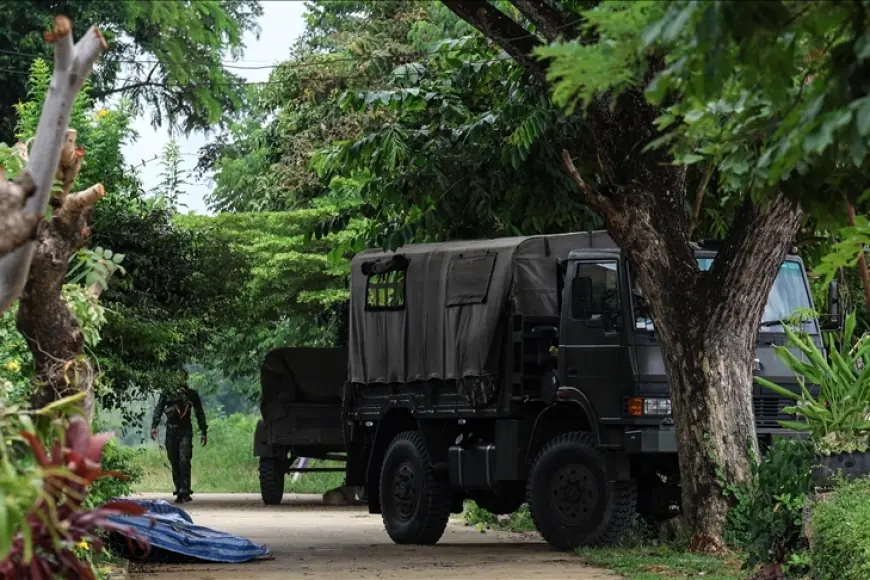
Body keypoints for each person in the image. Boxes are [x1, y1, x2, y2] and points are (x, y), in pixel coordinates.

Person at [150, 382, 208, 503]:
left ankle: (185, 490)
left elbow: (199, 412)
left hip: (185, 429)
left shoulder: (191, 394)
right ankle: (179, 489)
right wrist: (154, 426)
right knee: (174, 459)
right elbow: (159, 409)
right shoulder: (167, 393)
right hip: (171, 429)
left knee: (184, 459)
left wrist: (203, 431)